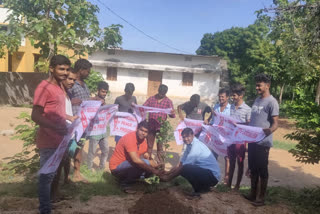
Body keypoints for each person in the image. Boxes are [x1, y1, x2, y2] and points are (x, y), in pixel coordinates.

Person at [32, 55, 71, 214]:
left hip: (60, 141)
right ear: (51, 69)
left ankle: (49, 203)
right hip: (48, 141)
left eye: (67, 69)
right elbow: (35, 115)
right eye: (61, 69)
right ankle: (44, 210)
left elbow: (58, 112)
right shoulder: (44, 87)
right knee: (45, 178)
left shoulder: (60, 87)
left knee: (54, 176)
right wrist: (56, 127)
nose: (65, 72)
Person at [244, 74, 279, 206]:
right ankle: (252, 195)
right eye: (256, 84)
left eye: (259, 85)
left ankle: (261, 198)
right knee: (253, 168)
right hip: (252, 141)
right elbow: (253, 121)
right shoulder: (257, 100)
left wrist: (269, 130)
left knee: (262, 169)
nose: (257, 87)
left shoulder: (272, 102)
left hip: (263, 142)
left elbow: (276, 123)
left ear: (267, 86)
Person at [160, 128, 220, 197]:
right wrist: (167, 173)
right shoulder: (189, 145)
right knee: (185, 168)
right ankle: (201, 189)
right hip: (207, 173)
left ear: (193, 135)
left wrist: (168, 178)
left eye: (187, 136)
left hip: (212, 177)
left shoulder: (196, 146)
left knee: (186, 169)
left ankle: (200, 190)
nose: (185, 139)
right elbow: (180, 164)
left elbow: (183, 167)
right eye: (184, 137)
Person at [68, 59, 100, 182]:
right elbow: (65, 100)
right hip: (73, 123)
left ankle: (76, 173)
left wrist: (94, 99)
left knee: (79, 147)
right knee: (69, 148)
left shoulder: (84, 85)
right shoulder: (71, 83)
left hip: (84, 123)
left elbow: (84, 100)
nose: (89, 73)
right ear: (81, 70)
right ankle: (66, 176)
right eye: (88, 71)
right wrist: (72, 101)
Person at [109, 120, 161, 192]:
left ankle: (132, 180)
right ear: (137, 129)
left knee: (149, 169)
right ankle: (124, 184)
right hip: (116, 167)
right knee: (143, 164)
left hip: (127, 165)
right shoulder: (130, 138)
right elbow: (135, 160)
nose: (143, 133)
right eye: (141, 130)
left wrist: (156, 166)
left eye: (145, 132)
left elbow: (145, 153)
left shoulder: (142, 140)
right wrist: (153, 170)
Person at [227, 83, 251, 190]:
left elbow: (249, 125)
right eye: (232, 95)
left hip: (240, 140)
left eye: (234, 96)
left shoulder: (247, 109)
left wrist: (239, 125)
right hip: (231, 138)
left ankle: (237, 185)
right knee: (231, 161)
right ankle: (228, 184)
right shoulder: (231, 107)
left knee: (240, 162)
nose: (233, 97)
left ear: (241, 96)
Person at [143, 84, 175, 164]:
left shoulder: (168, 102)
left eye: (163, 93)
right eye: (160, 92)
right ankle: (148, 162)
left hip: (161, 128)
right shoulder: (151, 99)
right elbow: (143, 108)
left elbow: (172, 116)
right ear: (158, 90)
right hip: (151, 126)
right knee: (149, 146)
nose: (161, 94)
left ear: (165, 93)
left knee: (160, 147)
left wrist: (172, 113)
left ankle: (160, 164)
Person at [208, 88, 231, 184]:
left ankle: (226, 179)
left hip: (226, 137)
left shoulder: (231, 109)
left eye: (222, 97)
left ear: (227, 97)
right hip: (216, 136)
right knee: (213, 156)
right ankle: (213, 177)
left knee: (227, 157)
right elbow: (213, 121)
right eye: (219, 96)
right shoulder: (216, 107)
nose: (220, 98)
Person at [87, 81, 110, 171]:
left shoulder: (104, 102)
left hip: (103, 132)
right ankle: (88, 169)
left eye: (105, 92)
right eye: (102, 91)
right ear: (98, 91)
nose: (104, 94)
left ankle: (101, 168)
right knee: (92, 151)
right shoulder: (92, 100)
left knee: (105, 150)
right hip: (94, 131)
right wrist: (96, 103)